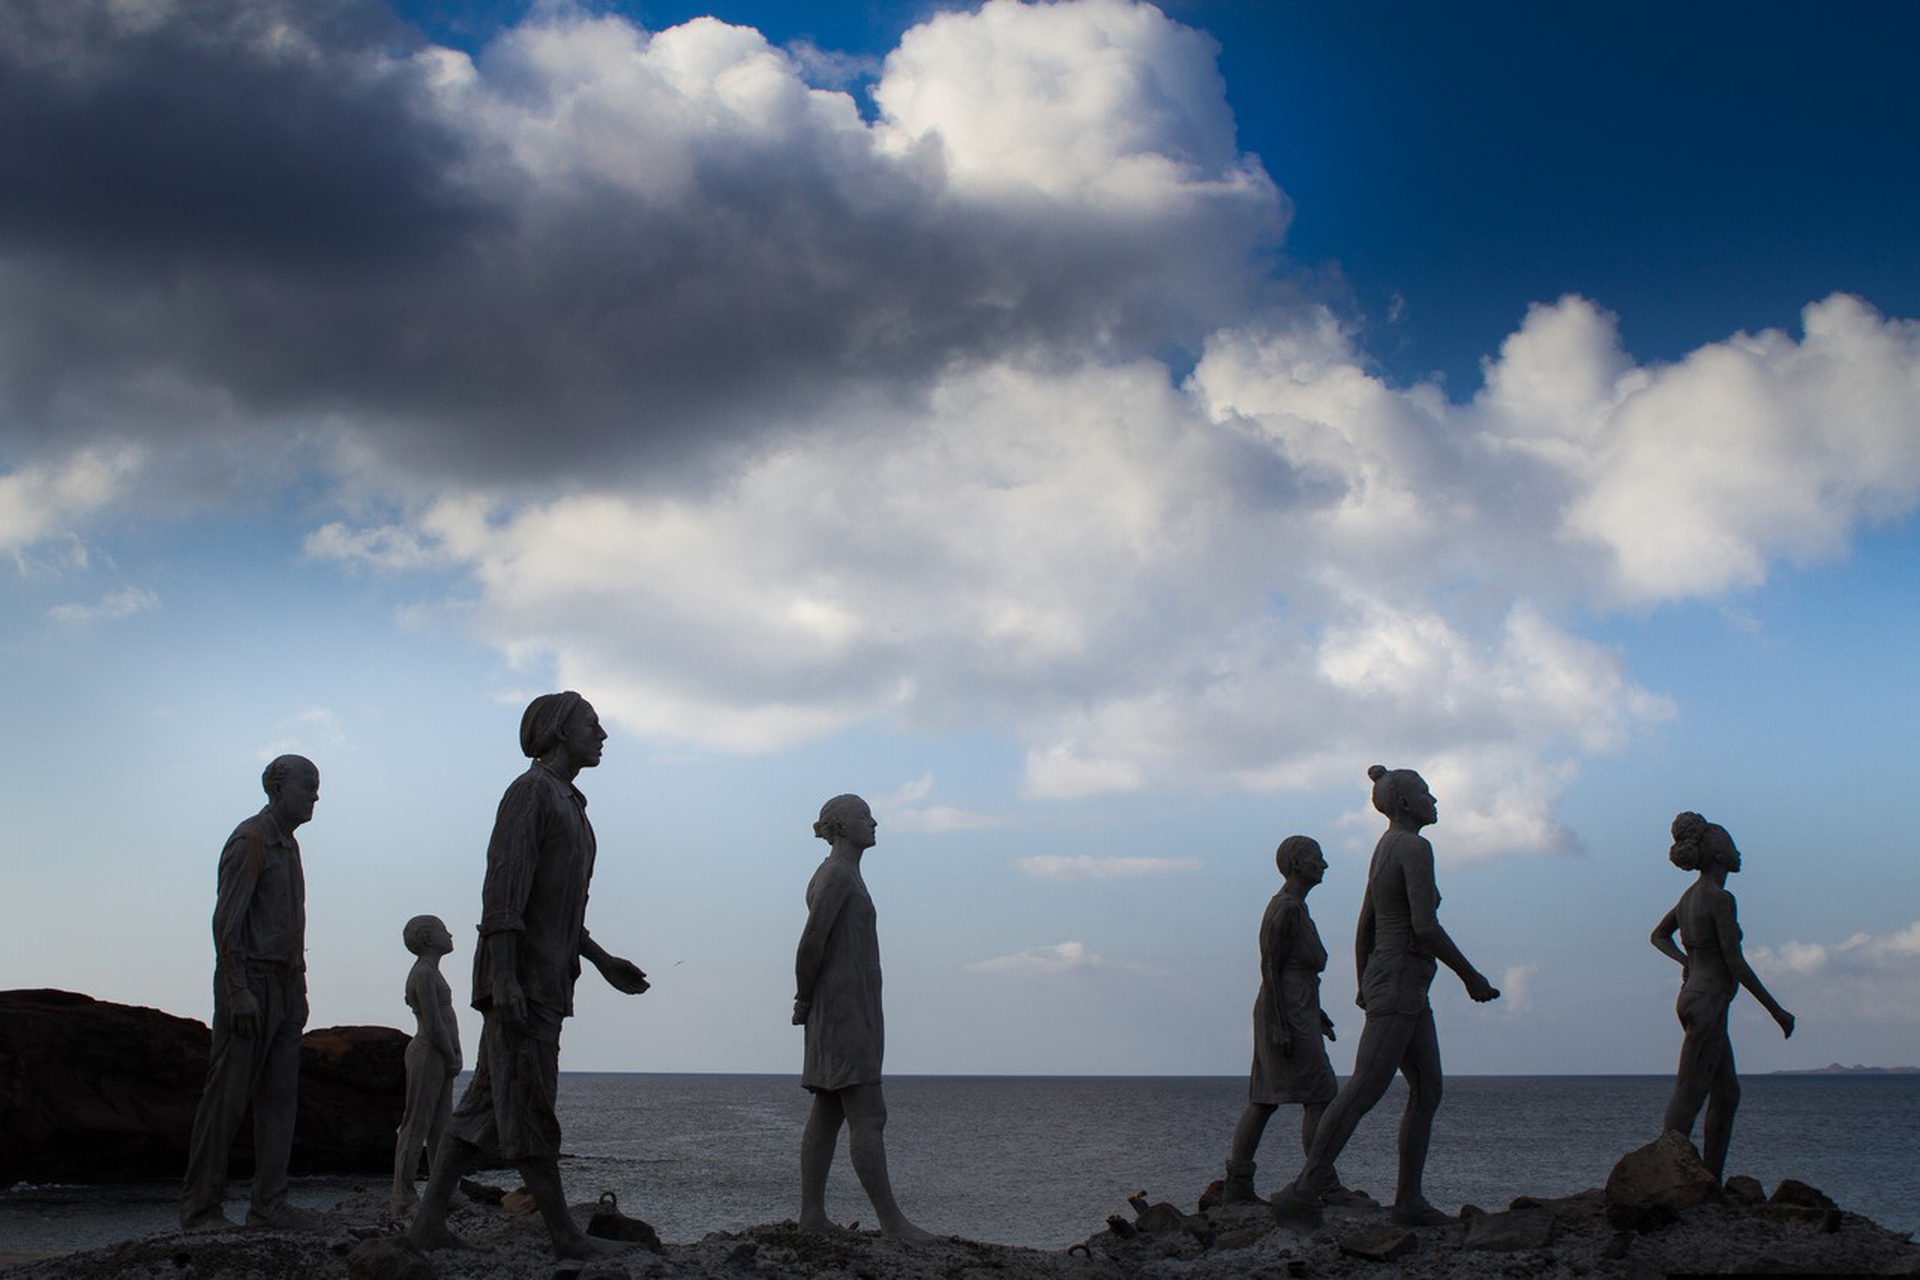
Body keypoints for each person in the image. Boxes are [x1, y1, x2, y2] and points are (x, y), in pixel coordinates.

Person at [407, 693, 650, 1259]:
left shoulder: (569, 805)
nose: (603, 734)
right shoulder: (531, 794)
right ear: (560, 732)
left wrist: (600, 958)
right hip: (522, 983)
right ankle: (565, 1235)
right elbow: (503, 892)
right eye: (592, 724)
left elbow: (559, 909)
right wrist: (507, 979)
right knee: (532, 1102)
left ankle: (426, 1225)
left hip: (542, 977)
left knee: (483, 1107)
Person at [1272, 766, 1500, 1229]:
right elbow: (1424, 926)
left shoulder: (1385, 849)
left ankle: (1409, 1201)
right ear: (1403, 804)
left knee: (1428, 1088)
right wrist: (1470, 976)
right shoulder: (1414, 847)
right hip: (1399, 976)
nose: (1434, 798)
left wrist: (1362, 981)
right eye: (1424, 792)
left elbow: (1365, 924)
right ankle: (1303, 1189)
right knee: (1365, 1087)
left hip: (1401, 980)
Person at [180, 754, 322, 1231]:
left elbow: (292, 925)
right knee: (227, 1099)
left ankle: (269, 1205)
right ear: (279, 789)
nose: (316, 796)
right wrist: (237, 989)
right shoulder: (251, 841)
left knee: (281, 1099)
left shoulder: (290, 847)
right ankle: (201, 1209)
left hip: (284, 984)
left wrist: (298, 991)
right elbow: (227, 923)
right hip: (251, 982)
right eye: (309, 787)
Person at [793, 794, 935, 1241]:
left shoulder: (846, 874)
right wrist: (803, 998)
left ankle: (812, 1216)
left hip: (850, 1006)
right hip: (842, 1009)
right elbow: (810, 942)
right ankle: (892, 1223)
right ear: (838, 827)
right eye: (863, 816)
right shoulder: (835, 874)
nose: (874, 822)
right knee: (868, 1115)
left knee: (829, 1109)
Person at [1650, 811, 1795, 1181]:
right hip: (1708, 1002)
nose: (1737, 852)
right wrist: (1776, 1010)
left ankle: (1711, 1178)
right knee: (1690, 1092)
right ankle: (1666, 1175)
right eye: (1731, 845)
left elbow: (1658, 936)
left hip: (1694, 998)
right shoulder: (1719, 899)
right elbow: (1736, 964)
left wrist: (1686, 961)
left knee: (1726, 1093)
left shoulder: (1689, 898)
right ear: (1717, 855)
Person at [1221, 835, 1352, 1206]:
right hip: (1286, 1011)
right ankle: (1321, 1182)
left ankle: (1243, 1182)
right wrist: (1281, 1023)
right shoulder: (1286, 909)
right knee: (1313, 1095)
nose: (1324, 865)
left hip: (1299, 1007)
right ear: (1298, 864)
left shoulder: (1298, 909)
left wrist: (1317, 1013)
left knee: (1276, 1097)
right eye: (1317, 858)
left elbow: (1295, 969)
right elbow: (1270, 967)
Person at [390, 914, 461, 1216]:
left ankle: (442, 1189)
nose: (450, 934)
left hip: (440, 1054)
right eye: (444, 930)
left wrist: (453, 1053)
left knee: (441, 1125)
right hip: (428, 1053)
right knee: (416, 1123)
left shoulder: (432, 972)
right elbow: (433, 1023)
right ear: (429, 939)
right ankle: (403, 1195)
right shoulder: (423, 974)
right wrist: (450, 1054)